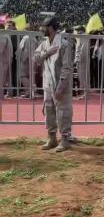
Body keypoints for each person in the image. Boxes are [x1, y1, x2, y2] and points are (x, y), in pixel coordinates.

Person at [34, 18, 73, 153]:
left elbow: (67, 68)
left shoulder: (64, 44)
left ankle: (65, 140)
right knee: (49, 111)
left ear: (51, 28)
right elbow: (36, 59)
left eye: (44, 27)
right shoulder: (44, 44)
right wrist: (47, 53)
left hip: (61, 85)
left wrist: (61, 87)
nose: (41, 29)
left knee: (63, 113)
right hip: (48, 84)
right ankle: (52, 138)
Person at [0, 24, 12, 99]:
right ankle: (8, 93)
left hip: (3, 60)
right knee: (6, 78)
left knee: (1, 79)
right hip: (6, 59)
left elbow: (0, 49)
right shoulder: (7, 35)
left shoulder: (2, 35)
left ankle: (0, 95)